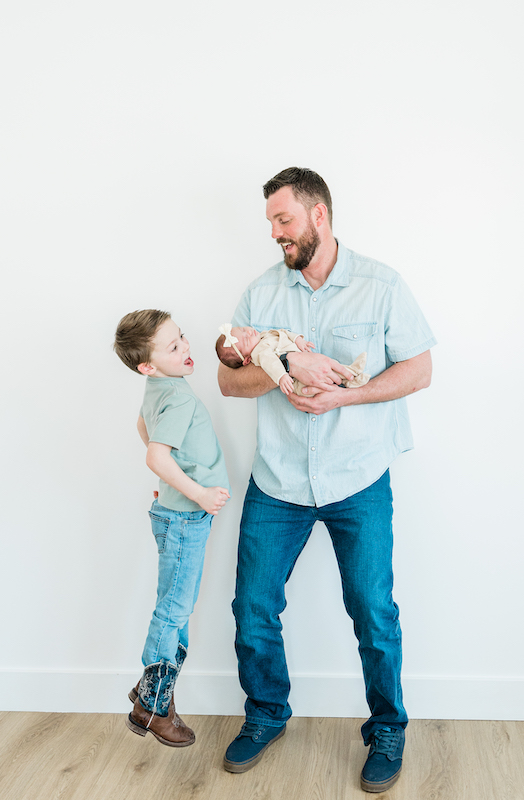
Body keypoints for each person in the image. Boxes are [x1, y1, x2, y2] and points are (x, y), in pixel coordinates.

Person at [217, 168, 436, 792]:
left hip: (357, 478)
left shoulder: (381, 284)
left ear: (319, 216)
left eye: (283, 219)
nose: (275, 233)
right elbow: (228, 379)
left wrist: (344, 396)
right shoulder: (260, 294)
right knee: (253, 607)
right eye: (271, 222)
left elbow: (419, 370)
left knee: (373, 610)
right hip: (278, 481)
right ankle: (266, 714)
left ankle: (387, 727)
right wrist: (285, 362)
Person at [114, 309, 230, 747]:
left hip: (175, 513)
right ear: (148, 365)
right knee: (173, 612)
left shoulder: (160, 388)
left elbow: (142, 426)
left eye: (182, 338)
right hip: (185, 518)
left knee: (176, 608)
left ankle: (153, 691)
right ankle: (152, 705)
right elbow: (156, 456)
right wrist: (197, 493)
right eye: (173, 346)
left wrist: (172, 482)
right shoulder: (178, 396)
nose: (186, 348)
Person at [215, 324, 369, 396]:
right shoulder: (260, 351)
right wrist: (282, 375)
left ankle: (350, 379)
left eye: (243, 329)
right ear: (247, 359)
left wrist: (298, 340)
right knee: (320, 385)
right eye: (246, 340)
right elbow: (271, 364)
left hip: (310, 363)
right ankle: (352, 375)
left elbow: (283, 332)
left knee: (329, 368)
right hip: (297, 381)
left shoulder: (264, 336)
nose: (249, 333)